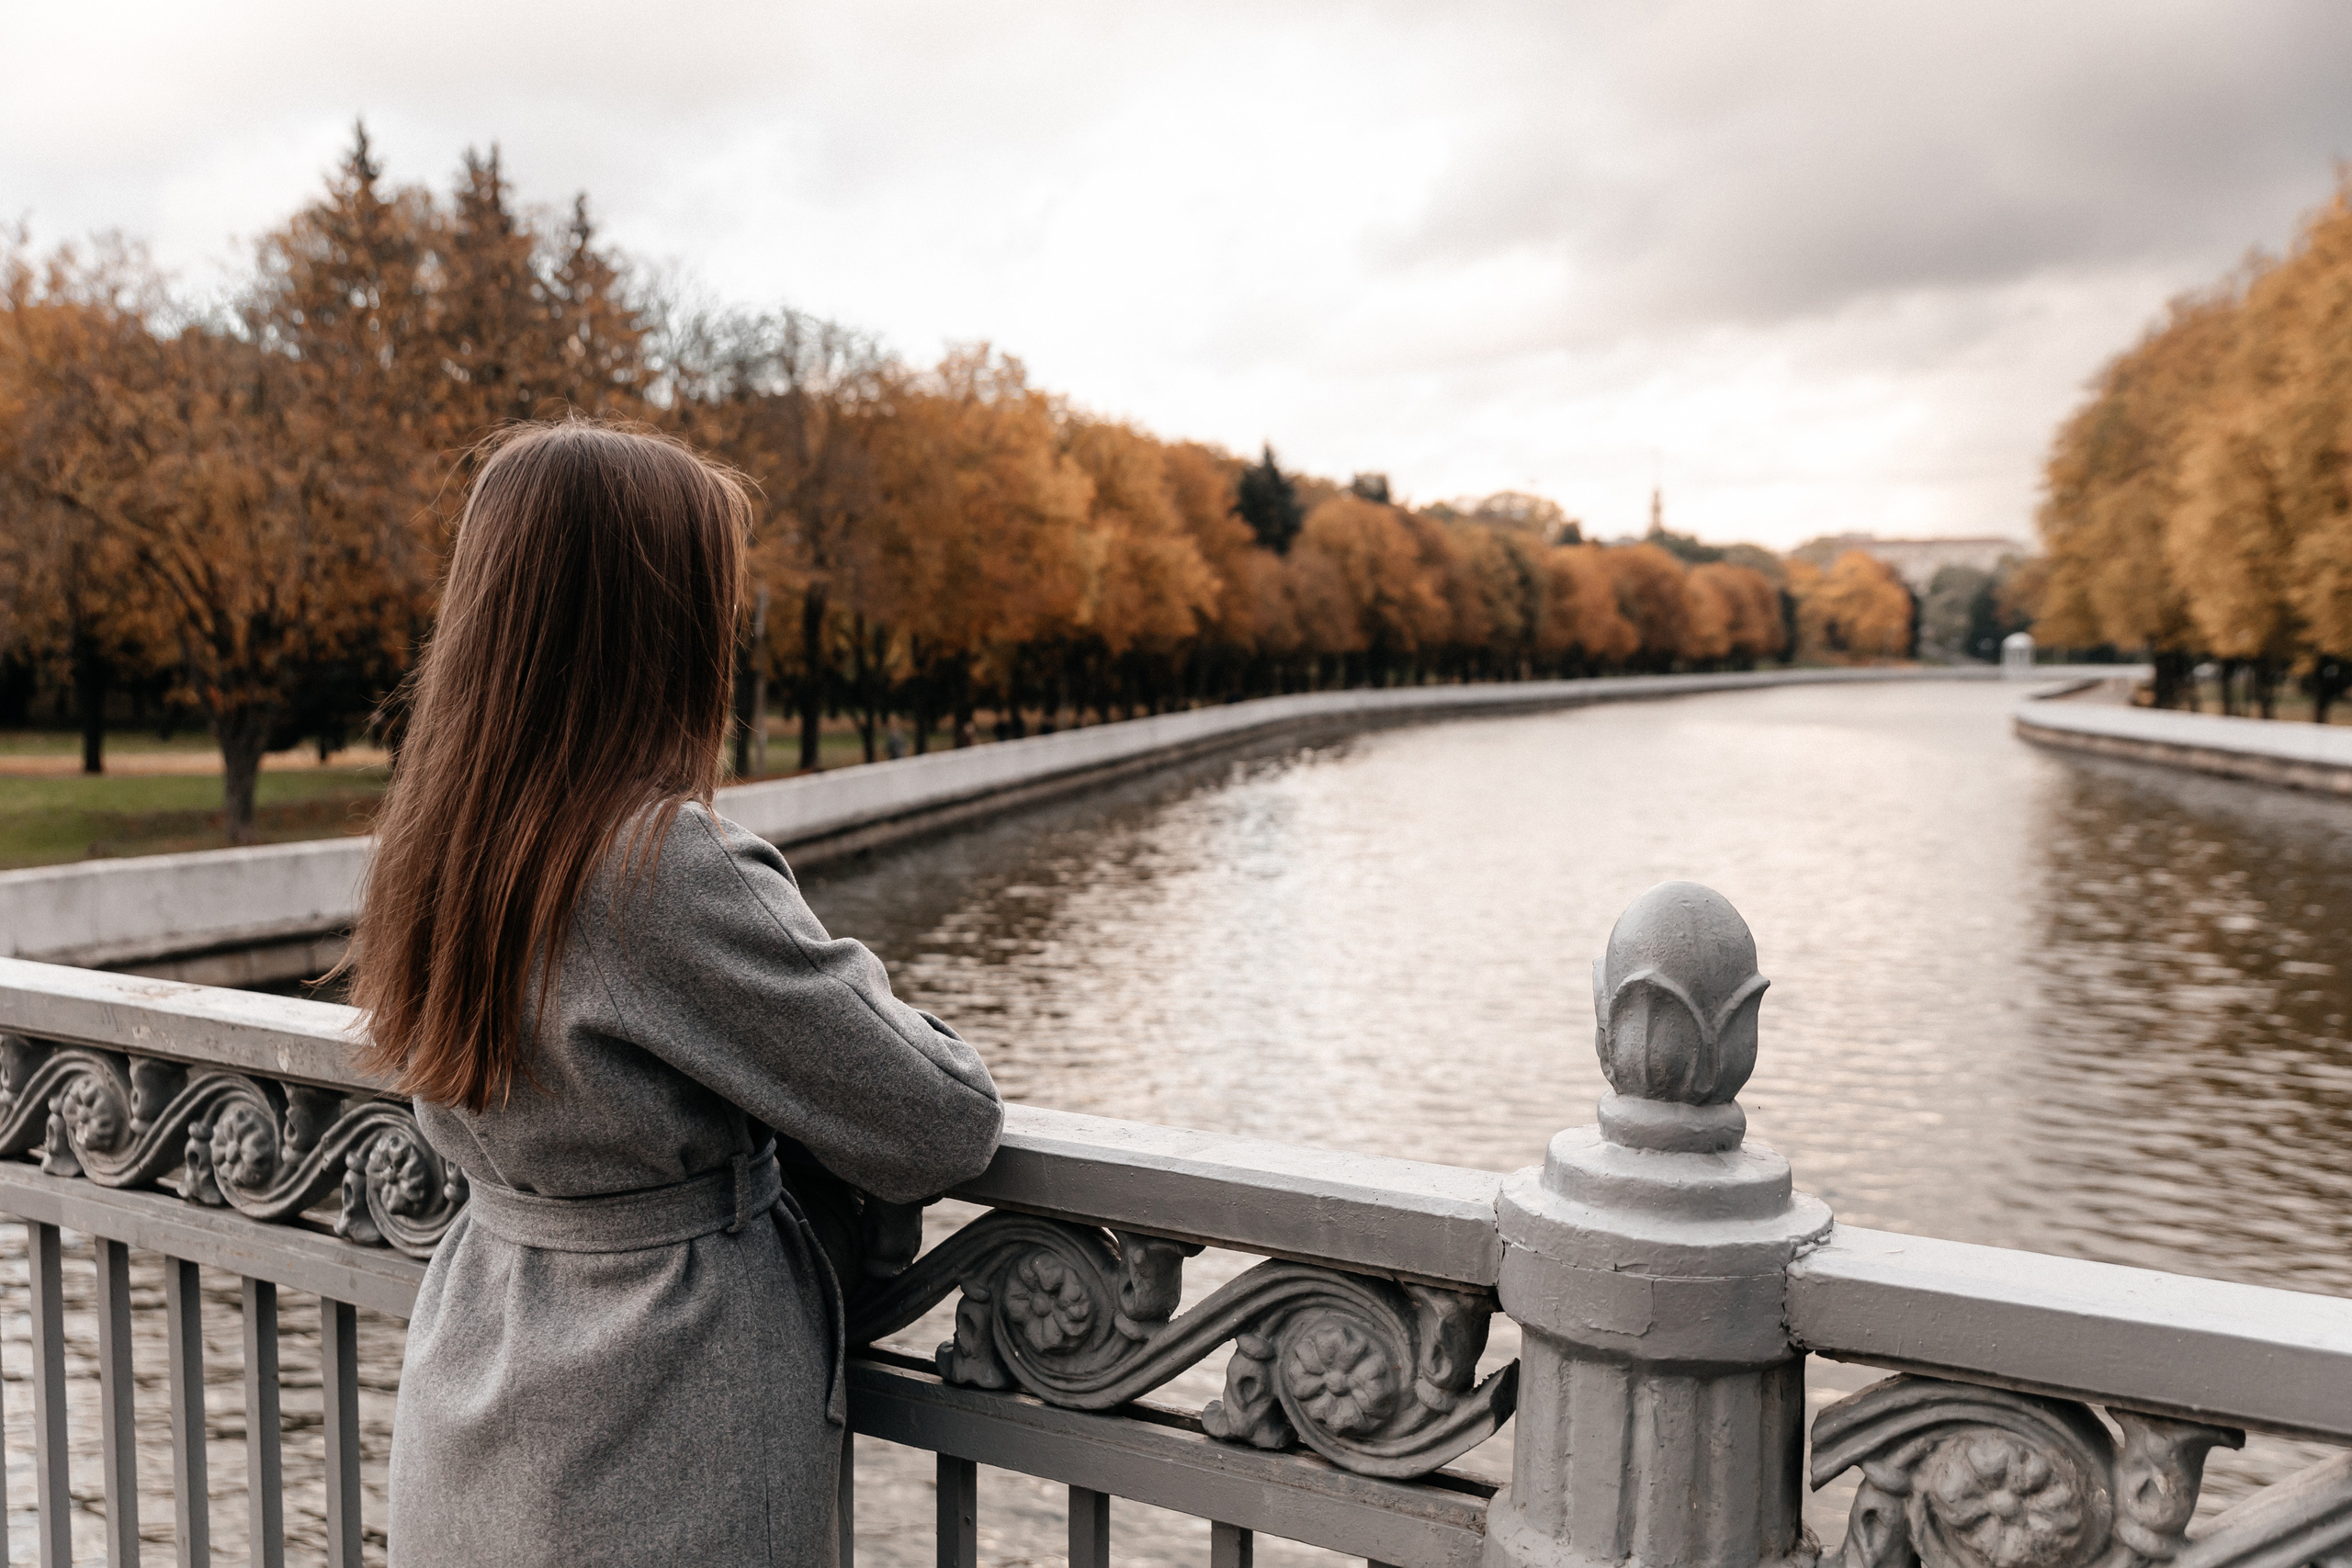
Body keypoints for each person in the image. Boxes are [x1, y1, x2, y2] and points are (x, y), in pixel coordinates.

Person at [349, 421, 1004, 1566]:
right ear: (658, 629)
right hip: (658, 1414)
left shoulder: (434, 845)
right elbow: (938, 1120)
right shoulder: (664, 867)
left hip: (478, 1369)